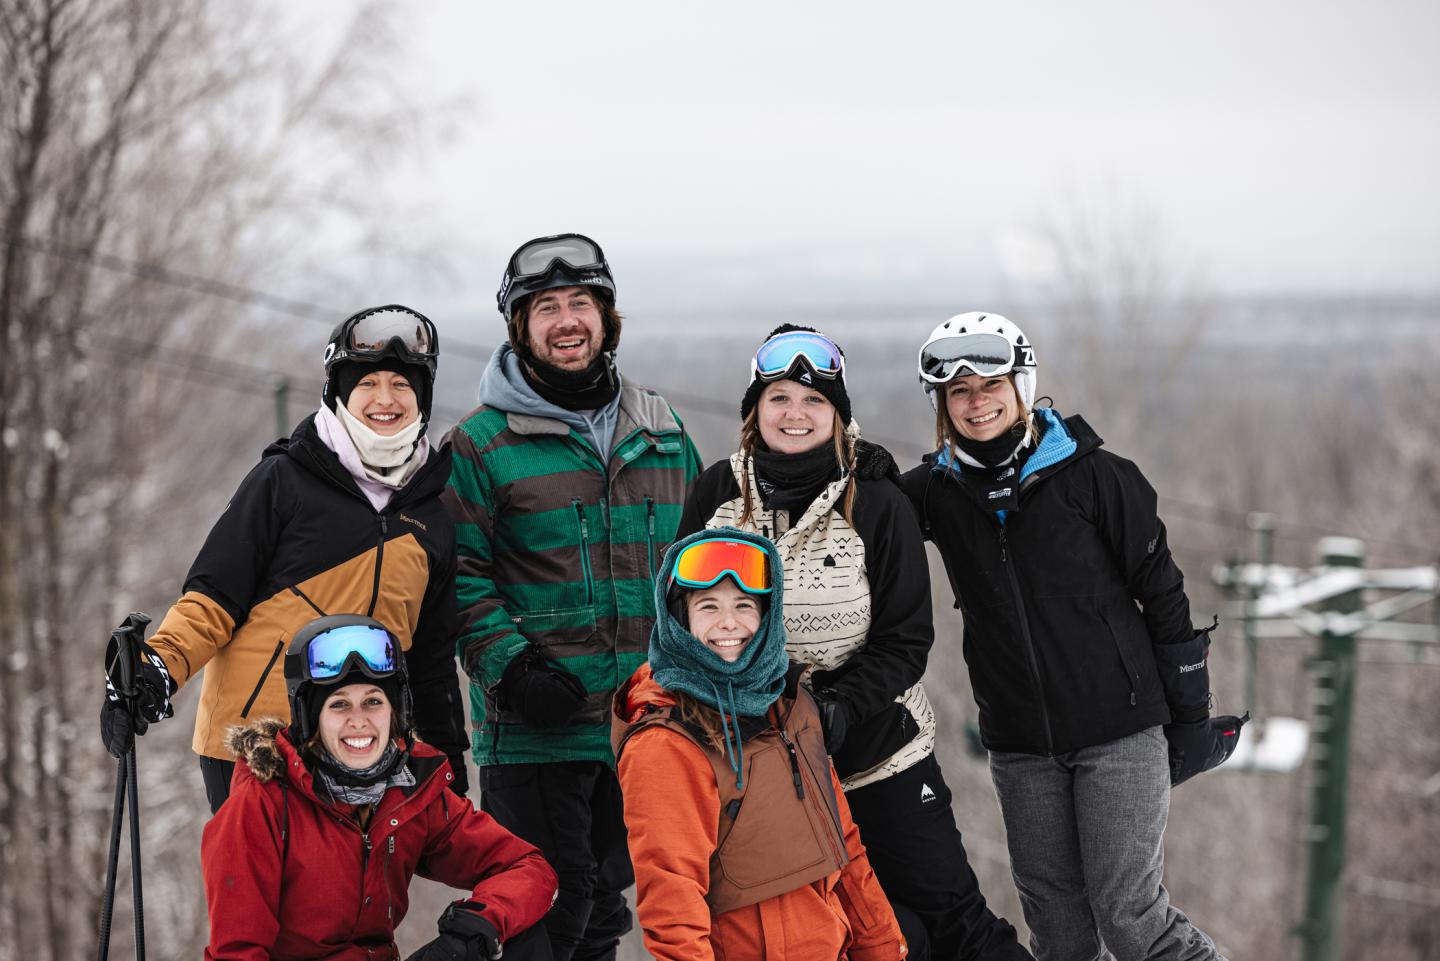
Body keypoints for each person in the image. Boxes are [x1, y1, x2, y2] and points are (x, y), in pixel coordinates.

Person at [677, 325, 1029, 961]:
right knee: (833, 939)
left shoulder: (877, 501)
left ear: (837, 414)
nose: (796, 413)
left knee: (954, 925)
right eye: (780, 398)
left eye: (814, 400)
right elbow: (679, 620)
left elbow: (905, 640)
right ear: (755, 410)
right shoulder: (716, 494)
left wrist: (834, 709)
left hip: (875, 756)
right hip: (760, 771)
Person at [899, 312, 1234, 961]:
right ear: (942, 404)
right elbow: (862, 522)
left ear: (1022, 386)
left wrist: (1191, 715)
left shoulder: (1098, 478)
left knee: (1132, 917)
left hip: (1120, 732)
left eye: (991, 385)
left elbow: (1165, 598)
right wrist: (862, 471)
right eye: (959, 391)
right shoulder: (936, 493)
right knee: (1061, 936)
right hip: (1021, 745)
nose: (976, 402)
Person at [442, 233, 702, 961]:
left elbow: (706, 560)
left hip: (640, 727)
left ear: (605, 318)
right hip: (536, 731)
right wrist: (514, 670)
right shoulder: (481, 445)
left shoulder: (661, 432)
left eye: (580, 303)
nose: (566, 321)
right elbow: (457, 578)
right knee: (542, 920)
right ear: (520, 327)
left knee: (602, 918)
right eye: (546, 307)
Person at [99, 305, 469, 814]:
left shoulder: (431, 519)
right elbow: (212, 598)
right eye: (367, 384)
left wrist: (448, 768)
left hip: (363, 753)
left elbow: (430, 663)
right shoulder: (284, 481)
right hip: (254, 750)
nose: (385, 399)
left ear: (422, 398)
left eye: (402, 385)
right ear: (339, 394)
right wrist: (157, 668)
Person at [612, 528, 908, 961]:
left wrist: (884, 951)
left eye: (743, 606)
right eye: (708, 606)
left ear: (767, 614)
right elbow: (673, 906)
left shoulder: (789, 705)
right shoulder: (666, 744)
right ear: (679, 617)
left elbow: (845, 851)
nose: (728, 623)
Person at [202, 614, 558, 961]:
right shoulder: (261, 803)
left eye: (373, 701)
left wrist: (475, 930)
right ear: (311, 718)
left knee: (515, 930)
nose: (359, 721)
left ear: (394, 711)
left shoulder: (409, 788)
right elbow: (236, 952)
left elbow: (527, 867)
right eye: (339, 705)